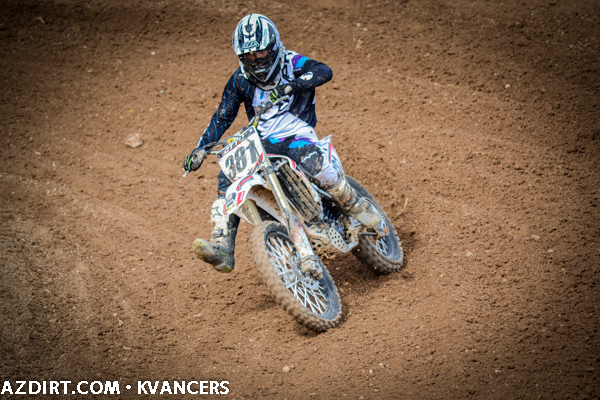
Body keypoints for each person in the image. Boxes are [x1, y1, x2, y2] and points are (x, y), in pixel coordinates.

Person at [182, 13, 380, 273]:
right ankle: (223, 245)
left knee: (313, 162)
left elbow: (323, 71)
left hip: (296, 133)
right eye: (249, 54)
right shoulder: (240, 80)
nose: (256, 58)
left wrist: (291, 87)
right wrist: (200, 148)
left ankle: (353, 204)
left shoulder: (291, 62)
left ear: (274, 46)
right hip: (262, 141)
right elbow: (222, 117)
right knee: (226, 178)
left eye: (261, 51)